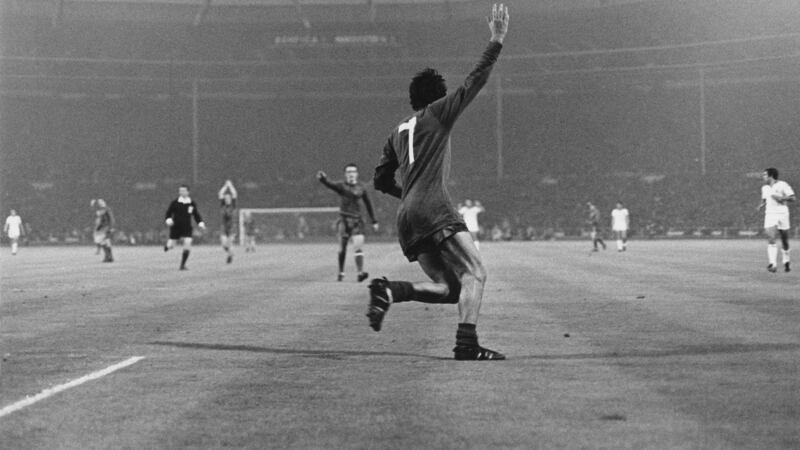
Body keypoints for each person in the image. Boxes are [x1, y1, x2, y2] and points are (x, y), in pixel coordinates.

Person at [371, 3, 509, 361]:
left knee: (450, 288)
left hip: (407, 217)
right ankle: (467, 345)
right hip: (434, 209)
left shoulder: (397, 131)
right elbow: (473, 83)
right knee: (476, 272)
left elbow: (379, 180)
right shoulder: (438, 114)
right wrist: (496, 40)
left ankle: (390, 291)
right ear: (436, 97)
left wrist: (408, 195)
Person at [317, 164, 379, 282]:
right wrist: (323, 179)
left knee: (358, 247)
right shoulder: (342, 186)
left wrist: (374, 220)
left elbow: (368, 204)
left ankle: (360, 273)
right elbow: (330, 184)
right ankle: (341, 272)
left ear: (356, 174)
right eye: (348, 172)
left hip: (357, 221)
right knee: (342, 248)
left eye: (353, 172)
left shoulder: (362, 187)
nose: (351, 174)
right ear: (346, 175)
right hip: (344, 221)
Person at [759, 168, 795, 272]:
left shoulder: (783, 185)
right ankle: (773, 264)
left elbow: (793, 198)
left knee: (785, 240)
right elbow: (765, 199)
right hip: (770, 214)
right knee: (771, 237)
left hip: (783, 214)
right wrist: (761, 204)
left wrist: (781, 198)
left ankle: (786, 261)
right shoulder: (764, 188)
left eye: (765, 175)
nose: (763, 177)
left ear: (771, 176)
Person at [164, 184, 206, 270]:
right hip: (176, 227)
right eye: (180, 191)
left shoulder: (191, 203)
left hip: (187, 227)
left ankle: (182, 265)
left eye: (183, 191)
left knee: (188, 243)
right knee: (172, 245)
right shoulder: (175, 203)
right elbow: (168, 213)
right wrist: (168, 220)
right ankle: (168, 246)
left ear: (188, 192)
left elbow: (196, 215)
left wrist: (200, 223)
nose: (181, 192)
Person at [218, 180, 238, 264]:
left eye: (228, 198)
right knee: (224, 245)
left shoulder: (233, 205)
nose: (227, 199)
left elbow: (234, 194)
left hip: (232, 226)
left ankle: (230, 257)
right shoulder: (223, 205)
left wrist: (230, 186)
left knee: (229, 243)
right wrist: (225, 186)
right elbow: (220, 194)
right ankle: (230, 253)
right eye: (226, 198)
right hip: (224, 226)